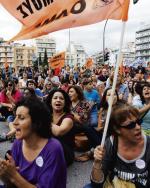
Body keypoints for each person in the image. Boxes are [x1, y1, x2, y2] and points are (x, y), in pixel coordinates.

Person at [0, 97, 67, 188]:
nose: (14, 122)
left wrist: (14, 176)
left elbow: (15, 178)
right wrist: (4, 174)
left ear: (37, 123)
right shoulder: (18, 143)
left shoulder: (53, 148)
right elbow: (12, 185)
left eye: (21, 118)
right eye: (15, 116)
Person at [84, 103, 150, 188]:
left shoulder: (148, 144)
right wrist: (97, 163)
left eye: (138, 122)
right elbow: (97, 183)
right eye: (131, 125)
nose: (137, 127)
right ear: (117, 129)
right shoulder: (111, 143)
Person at [45, 89, 74, 166]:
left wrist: (43, 119)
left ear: (65, 103)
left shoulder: (69, 117)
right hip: (47, 151)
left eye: (61, 98)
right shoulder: (47, 115)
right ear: (50, 102)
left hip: (65, 153)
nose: (58, 100)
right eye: (55, 98)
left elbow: (58, 132)